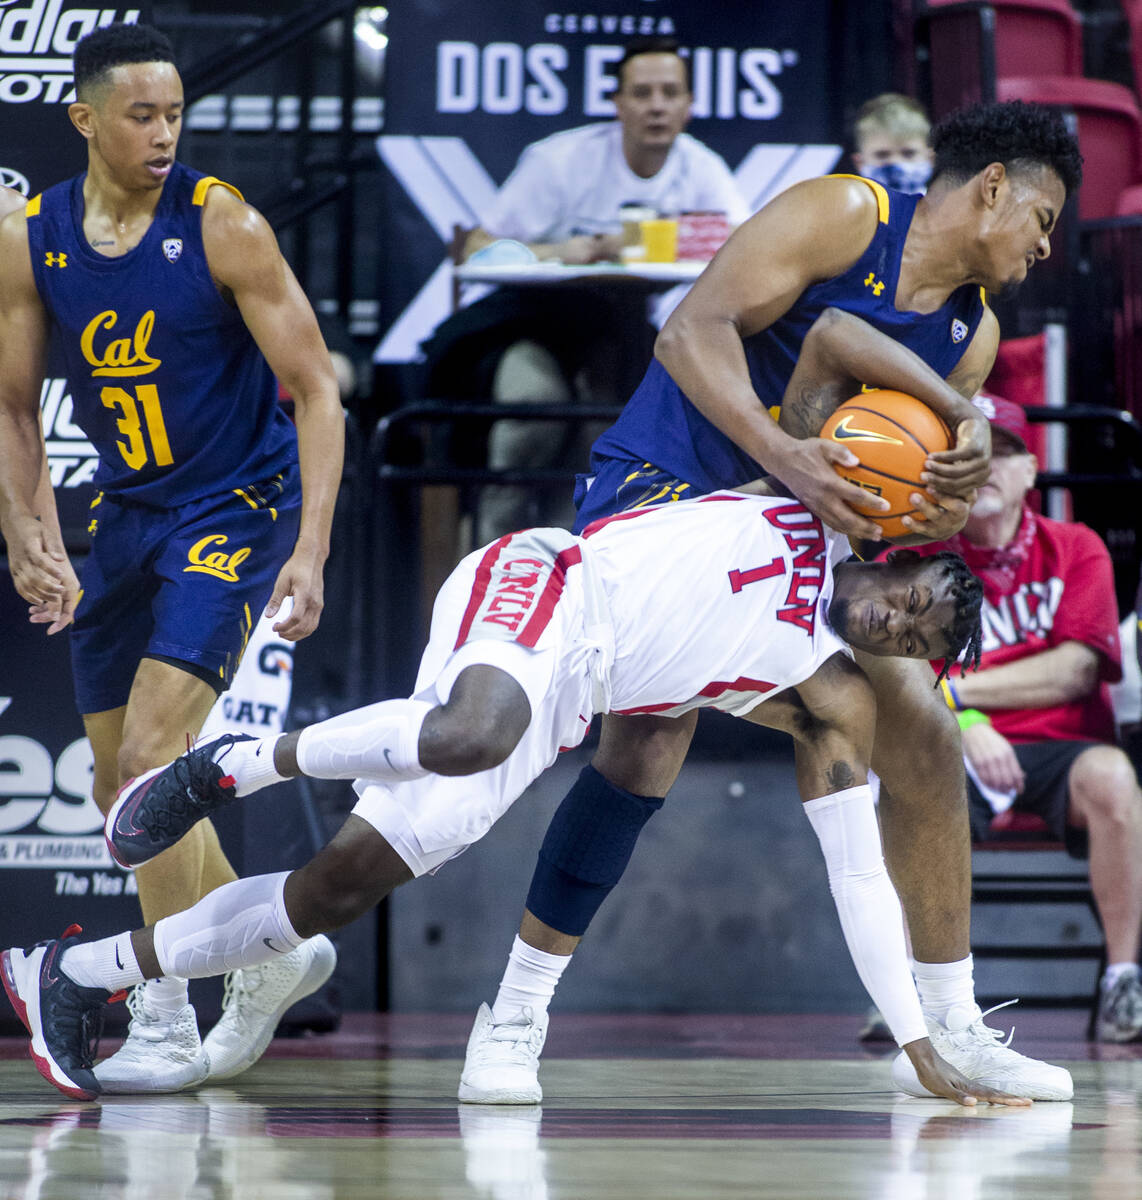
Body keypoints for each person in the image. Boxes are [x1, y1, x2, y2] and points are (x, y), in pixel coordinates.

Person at [3, 485, 1060, 1108]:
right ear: (893, 560)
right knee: (471, 733)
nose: (897, 626)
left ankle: (74, 970)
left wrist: (915, 1034)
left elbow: (854, 867)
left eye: (917, 640)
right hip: (547, 581)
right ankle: (233, 762)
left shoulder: (824, 701)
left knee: (332, 892)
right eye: (910, 601)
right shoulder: (814, 501)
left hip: (561, 696)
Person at [455, 100, 1084, 1105]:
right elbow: (687, 334)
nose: (1045, 247)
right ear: (991, 188)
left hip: (799, 525)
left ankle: (952, 1020)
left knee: (918, 716)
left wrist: (936, 507)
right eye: (1041, 219)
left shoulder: (970, 338)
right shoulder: (841, 213)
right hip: (668, 480)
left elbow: (883, 514)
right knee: (647, 743)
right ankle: (516, 1013)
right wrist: (783, 452)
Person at [0, 24, 344, 1092]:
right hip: (127, 512)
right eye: (140, 116)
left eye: (175, 115)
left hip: (231, 508)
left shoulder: (222, 225)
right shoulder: (30, 236)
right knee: (121, 786)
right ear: (85, 120)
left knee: (150, 754)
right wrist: (27, 530)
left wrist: (311, 548)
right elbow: (13, 404)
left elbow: (320, 390)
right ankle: (268, 953)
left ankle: (160, 1009)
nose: (162, 134)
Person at [423, 36, 748, 541]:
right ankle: (489, 552)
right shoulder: (560, 160)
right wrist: (565, 250)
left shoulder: (701, 167)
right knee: (534, 414)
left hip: (624, 330)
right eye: (642, 93)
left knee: (613, 439)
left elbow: (741, 244)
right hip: (532, 324)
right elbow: (474, 246)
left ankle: (570, 564)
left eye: (669, 92)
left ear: (689, 105)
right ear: (617, 104)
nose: (657, 106)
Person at [913, 392, 1142, 1043]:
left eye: (1002, 450)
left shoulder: (1075, 547)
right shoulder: (923, 558)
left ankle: (1122, 981)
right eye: (969, 450)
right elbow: (898, 673)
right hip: (954, 747)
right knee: (904, 790)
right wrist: (965, 722)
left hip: (1063, 750)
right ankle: (914, 996)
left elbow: (1073, 671)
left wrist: (955, 694)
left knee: (1114, 779)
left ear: (1030, 470)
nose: (984, 464)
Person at [851, 93, 934, 195]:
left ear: (931, 159)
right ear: (860, 163)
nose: (896, 162)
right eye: (882, 155)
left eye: (908, 153)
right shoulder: (844, 210)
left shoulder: (948, 209)